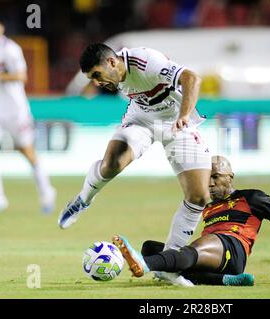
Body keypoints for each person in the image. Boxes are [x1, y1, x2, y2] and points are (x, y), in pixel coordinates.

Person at [58, 43, 212, 285]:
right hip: (141, 119)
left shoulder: (146, 62)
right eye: (91, 79)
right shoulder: (114, 75)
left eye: (96, 75)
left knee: (199, 197)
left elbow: (192, 78)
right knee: (112, 163)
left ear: (111, 62)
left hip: (177, 122)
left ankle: (169, 266)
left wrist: (184, 115)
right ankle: (82, 200)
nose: (97, 82)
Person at [111, 155, 270, 286]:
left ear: (230, 176)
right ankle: (223, 281)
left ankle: (146, 265)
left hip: (233, 248)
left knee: (187, 252)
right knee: (152, 246)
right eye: (208, 177)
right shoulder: (206, 203)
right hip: (214, 256)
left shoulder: (253, 197)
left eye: (216, 176)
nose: (211, 182)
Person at [0, 17, 56, 215]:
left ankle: (47, 191)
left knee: (27, 152)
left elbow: (21, 76)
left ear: (1, 28)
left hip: (15, 110)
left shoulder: (11, 49)